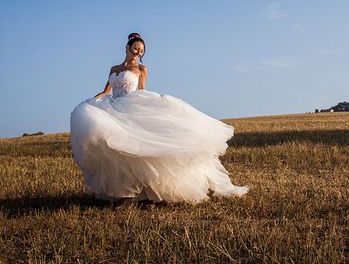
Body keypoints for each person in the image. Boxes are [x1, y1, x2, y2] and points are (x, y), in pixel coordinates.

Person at [70, 32, 249, 203]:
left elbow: (141, 91)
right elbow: (106, 90)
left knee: (138, 146)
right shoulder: (114, 69)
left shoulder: (141, 69)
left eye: (141, 52)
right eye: (135, 50)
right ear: (127, 47)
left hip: (130, 105)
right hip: (113, 106)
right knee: (107, 139)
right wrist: (94, 100)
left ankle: (146, 190)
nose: (138, 54)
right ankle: (123, 191)